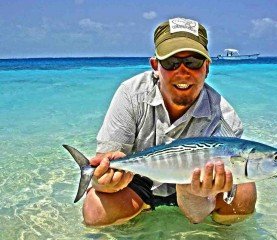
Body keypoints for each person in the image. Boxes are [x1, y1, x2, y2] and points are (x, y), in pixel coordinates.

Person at [82, 17, 256, 226]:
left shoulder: (225, 117)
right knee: (96, 211)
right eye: (171, 62)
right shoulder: (131, 94)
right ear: (155, 65)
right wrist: (103, 182)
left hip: (198, 188)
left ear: (207, 67)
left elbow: (196, 215)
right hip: (139, 181)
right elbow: (104, 168)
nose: (182, 72)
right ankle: (139, 213)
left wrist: (193, 194)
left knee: (243, 197)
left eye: (192, 62)